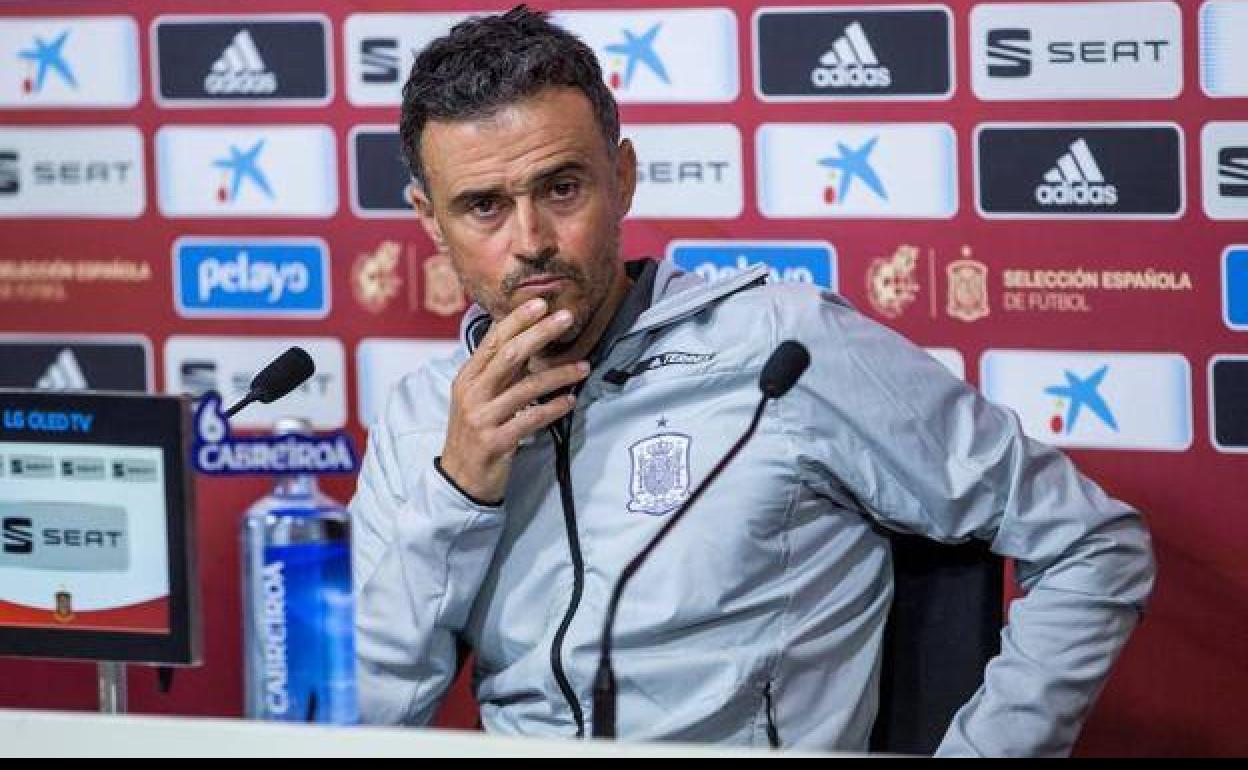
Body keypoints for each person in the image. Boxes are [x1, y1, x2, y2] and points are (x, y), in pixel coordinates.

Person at [350, 5, 1155, 756]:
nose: (530, 240)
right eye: (483, 207)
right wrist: (459, 490)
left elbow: (1092, 543)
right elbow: (364, 722)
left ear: (622, 178)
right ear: (430, 219)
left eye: (562, 188)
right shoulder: (425, 420)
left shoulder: (782, 349)